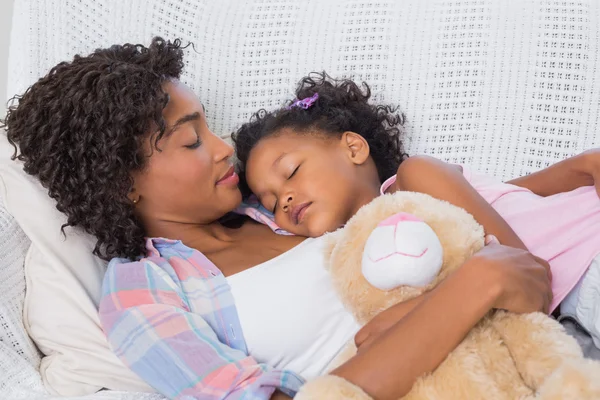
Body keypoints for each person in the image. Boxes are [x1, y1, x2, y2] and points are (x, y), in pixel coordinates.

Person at [1, 38, 552, 400]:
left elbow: (437, 214)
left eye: (212, 129)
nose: (223, 150)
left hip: (523, 350)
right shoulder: (141, 296)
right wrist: (470, 291)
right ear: (123, 181)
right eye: (193, 140)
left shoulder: (276, 209)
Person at [233, 72, 600, 349]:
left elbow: (517, 263)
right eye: (271, 203)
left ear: (353, 148)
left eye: (291, 172)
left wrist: (585, 164)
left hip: (585, 265)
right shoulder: (367, 262)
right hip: (559, 323)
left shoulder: (414, 177)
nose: (285, 199)